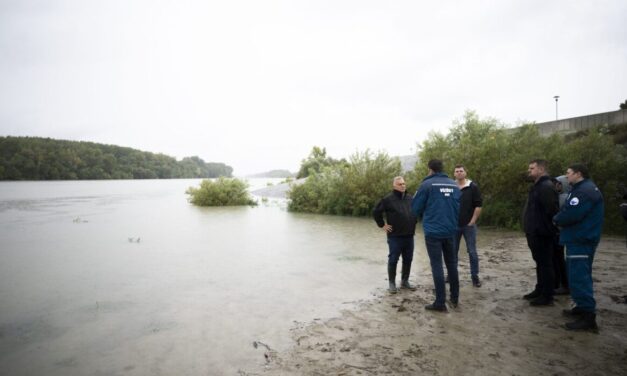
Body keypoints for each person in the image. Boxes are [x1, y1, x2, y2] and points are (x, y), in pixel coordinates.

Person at [553, 163, 604, 331]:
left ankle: (588, 318)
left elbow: (571, 213)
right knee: (579, 275)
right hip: (581, 238)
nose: (567, 177)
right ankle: (581, 308)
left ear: (578, 174)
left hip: (580, 239)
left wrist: (557, 219)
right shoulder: (584, 189)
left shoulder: (583, 192)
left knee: (579, 277)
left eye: (569, 173)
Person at [412, 159, 461, 312]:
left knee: (437, 265)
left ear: (430, 169)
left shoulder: (427, 185)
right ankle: (454, 297)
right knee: (452, 264)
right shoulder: (454, 185)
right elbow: (458, 206)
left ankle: (440, 302)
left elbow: (415, 209)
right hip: (450, 230)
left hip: (433, 232)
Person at [522, 159, 559, 306]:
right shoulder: (537, 186)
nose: (529, 171)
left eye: (532, 168)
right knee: (540, 263)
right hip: (534, 231)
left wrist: (546, 228)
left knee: (545, 264)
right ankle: (540, 288)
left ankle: (547, 295)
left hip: (542, 232)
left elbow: (552, 210)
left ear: (541, 170)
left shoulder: (546, 186)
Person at [373, 176, 418, 294]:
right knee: (393, 259)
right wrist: (382, 225)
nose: (403, 186)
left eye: (404, 183)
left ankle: (405, 281)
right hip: (395, 236)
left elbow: (416, 211)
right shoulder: (387, 199)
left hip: (409, 235)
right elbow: (376, 212)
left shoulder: (410, 198)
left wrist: (414, 221)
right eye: (400, 184)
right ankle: (392, 283)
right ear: (394, 186)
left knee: (408, 259)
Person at [453, 165, 483, 287]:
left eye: (461, 171)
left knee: (472, 252)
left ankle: (475, 277)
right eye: (457, 171)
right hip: (454, 226)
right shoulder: (451, 187)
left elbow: (478, 205)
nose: (459, 173)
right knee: (452, 252)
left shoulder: (473, 187)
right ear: (454, 174)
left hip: (469, 225)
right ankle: (451, 276)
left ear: (465, 172)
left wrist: (473, 221)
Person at [551, 176, 570, 295]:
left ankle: (563, 284)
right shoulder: (566, 196)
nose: (555, 185)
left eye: (557, 183)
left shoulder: (563, 198)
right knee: (558, 258)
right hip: (560, 232)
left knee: (558, 259)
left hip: (558, 232)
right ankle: (560, 283)